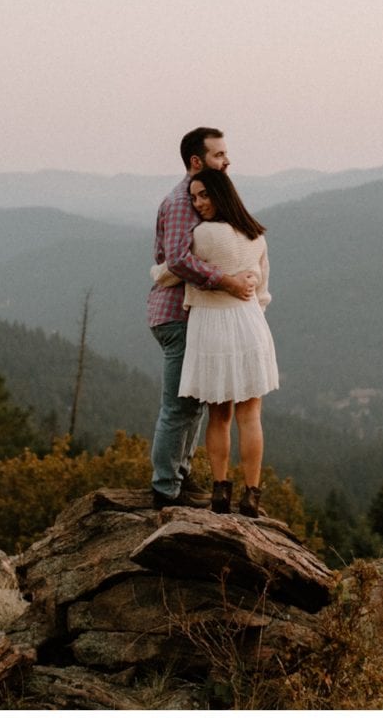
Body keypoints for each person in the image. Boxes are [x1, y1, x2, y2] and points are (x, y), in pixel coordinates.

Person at [152, 166, 277, 517]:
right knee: (251, 416)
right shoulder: (256, 235)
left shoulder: (202, 235)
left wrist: (154, 271)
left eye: (204, 195)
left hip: (212, 329)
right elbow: (263, 292)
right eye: (193, 197)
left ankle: (221, 491)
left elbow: (170, 271)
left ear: (221, 195)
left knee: (219, 417)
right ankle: (252, 494)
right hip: (251, 324)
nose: (198, 203)